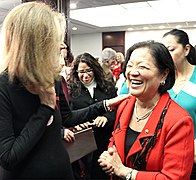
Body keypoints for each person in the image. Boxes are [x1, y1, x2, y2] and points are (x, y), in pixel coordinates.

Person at [0, 2, 126, 179]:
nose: (60, 46)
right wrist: (44, 109)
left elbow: (68, 118)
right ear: (35, 44)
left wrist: (105, 105)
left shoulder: (51, 77)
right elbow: (8, 157)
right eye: (54, 39)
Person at [98, 41, 194, 180]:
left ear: (164, 74)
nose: (133, 72)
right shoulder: (125, 105)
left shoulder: (179, 121)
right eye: (130, 66)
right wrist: (110, 155)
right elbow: (116, 138)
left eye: (142, 67)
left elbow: (173, 177)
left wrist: (126, 172)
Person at [67, 52, 117, 179]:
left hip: (105, 139)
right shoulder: (71, 90)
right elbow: (69, 115)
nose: (85, 76)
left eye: (88, 71)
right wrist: (77, 123)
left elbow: (117, 110)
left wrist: (106, 117)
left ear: (95, 69)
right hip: (83, 142)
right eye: (81, 72)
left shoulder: (107, 87)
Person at [162, 28, 196, 179]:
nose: (166, 56)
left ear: (186, 49)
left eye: (171, 50)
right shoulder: (163, 80)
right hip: (165, 156)